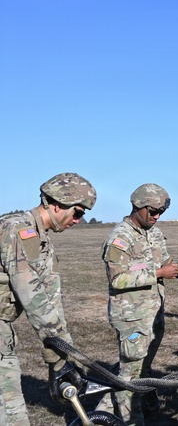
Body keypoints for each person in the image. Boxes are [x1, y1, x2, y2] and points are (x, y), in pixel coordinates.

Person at [0, 173, 96, 426]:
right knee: (11, 416)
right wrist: (58, 355)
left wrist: (65, 358)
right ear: (56, 204)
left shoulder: (43, 243)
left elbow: (51, 301)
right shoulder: (17, 229)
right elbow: (30, 293)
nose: (78, 220)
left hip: (3, 331)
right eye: (77, 213)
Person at [96, 183, 178, 425]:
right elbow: (118, 277)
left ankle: (110, 413)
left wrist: (175, 268)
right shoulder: (120, 238)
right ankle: (130, 420)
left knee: (141, 369)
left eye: (161, 213)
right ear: (137, 206)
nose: (156, 217)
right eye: (153, 212)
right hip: (131, 317)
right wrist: (158, 273)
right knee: (129, 376)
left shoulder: (153, 233)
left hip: (153, 313)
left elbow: (163, 259)